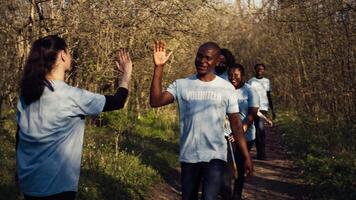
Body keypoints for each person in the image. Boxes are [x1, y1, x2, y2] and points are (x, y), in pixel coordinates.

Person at [15, 35, 132, 200]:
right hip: (57, 188)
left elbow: (19, 136)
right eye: (69, 53)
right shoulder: (71, 96)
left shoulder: (27, 94)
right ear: (63, 55)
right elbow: (118, 101)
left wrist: (17, 172)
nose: (70, 56)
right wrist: (126, 74)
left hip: (29, 185)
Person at [150, 41, 253, 200]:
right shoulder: (182, 85)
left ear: (217, 61)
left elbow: (236, 125)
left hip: (215, 157)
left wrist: (246, 156)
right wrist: (159, 68)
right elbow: (155, 101)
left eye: (208, 58)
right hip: (189, 157)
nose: (202, 61)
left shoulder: (226, 88)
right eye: (199, 56)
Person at [221, 64, 259, 200]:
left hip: (246, 136)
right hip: (227, 136)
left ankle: (237, 195)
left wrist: (241, 131)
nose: (232, 78)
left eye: (236, 75)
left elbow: (252, 114)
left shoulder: (250, 91)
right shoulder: (224, 90)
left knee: (240, 168)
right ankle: (226, 195)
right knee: (228, 169)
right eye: (230, 75)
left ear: (242, 76)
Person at [248, 63, 275, 160]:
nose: (260, 70)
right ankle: (249, 153)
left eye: (262, 69)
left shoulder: (267, 81)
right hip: (253, 107)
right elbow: (248, 95)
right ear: (255, 70)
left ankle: (261, 154)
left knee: (260, 130)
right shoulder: (251, 81)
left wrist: (272, 109)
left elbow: (268, 95)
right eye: (258, 69)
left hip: (263, 108)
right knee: (254, 130)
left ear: (264, 70)